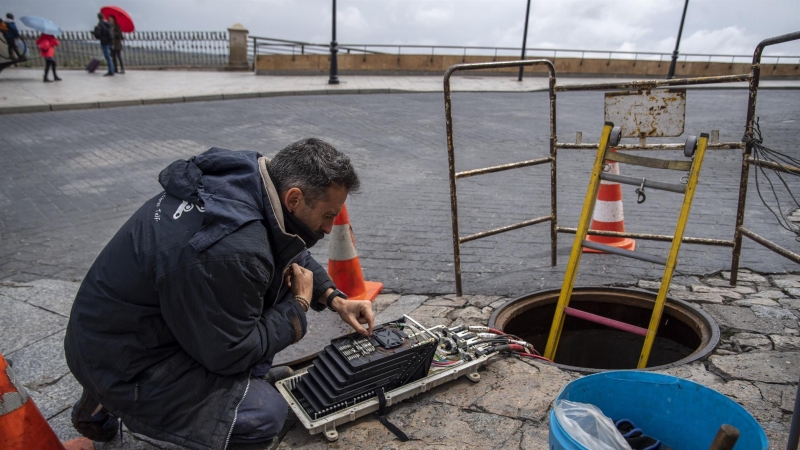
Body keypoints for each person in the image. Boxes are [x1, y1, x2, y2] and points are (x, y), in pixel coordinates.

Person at [64, 139, 375, 449]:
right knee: (264, 414)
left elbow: (286, 246)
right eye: (327, 215)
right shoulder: (236, 252)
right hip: (127, 363)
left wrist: (335, 298)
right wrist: (299, 306)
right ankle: (114, 402)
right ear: (293, 198)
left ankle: (117, 394)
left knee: (274, 286)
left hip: (114, 333)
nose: (329, 228)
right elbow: (231, 353)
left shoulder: (246, 177)